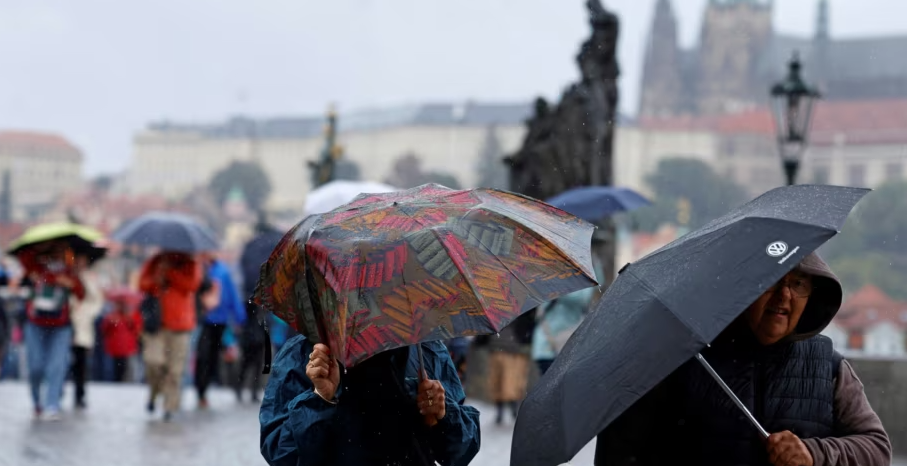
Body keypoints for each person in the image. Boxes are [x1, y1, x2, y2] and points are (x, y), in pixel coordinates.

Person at [595, 253, 892, 466]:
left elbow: (876, 449)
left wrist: (814, 454)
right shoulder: (687, 358)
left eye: (798, 283)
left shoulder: (828, 367)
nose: (784, 296)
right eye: (772, 281)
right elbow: (624, 450)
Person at [260, 336, 481, 466]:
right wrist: (320, 399)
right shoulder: (306, 354)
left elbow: (459, 452)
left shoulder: (426, 350)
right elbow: (280, 453)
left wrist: (442, 416)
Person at [18, 241, 85, 421]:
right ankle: (36, 400)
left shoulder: (69, 272)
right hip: (35, 324)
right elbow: (23, 260)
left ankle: (52, 403)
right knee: (36, 366)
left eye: (62, 252)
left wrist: (70, 283)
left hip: (60, 326)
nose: (58, 256)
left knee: (57, 365)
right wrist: (40, 250)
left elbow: (81, 294)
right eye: (55, 251)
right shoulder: (37, 267)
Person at [139, 251, 203, 421]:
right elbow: (142, 284)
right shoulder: (155, 261)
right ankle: (154, 393)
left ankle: (170, 406)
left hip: (180, 324)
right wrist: (157, 279)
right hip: (156, 324)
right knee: (154, 361)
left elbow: (192, 285)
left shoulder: (190, 264)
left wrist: (170, 273)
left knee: (175, 370)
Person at [194, 253, 246, 409]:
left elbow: (231, 296)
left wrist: (239, 317)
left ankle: (204, 388)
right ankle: (200, 389)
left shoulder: (222, 271)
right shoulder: (198, 270)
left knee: (212, 357)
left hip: (219, 322)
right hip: (202, 321)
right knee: (202, 355)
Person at [68, 254, 104, 408]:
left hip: (83, 324)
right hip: (67, 322)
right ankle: (60, 390)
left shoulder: (90, 279)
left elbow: (97, 301)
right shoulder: (67, 276)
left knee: (81, 362)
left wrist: (88, 313)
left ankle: (79, 393)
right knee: (65, 361)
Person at [101, 289, 143, 382]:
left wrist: (129, 320)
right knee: (115, 371)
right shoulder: (111, 316)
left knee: (126, 371)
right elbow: (104, 330)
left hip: (128, 348)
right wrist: (111, 322)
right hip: (115, 348)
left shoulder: (132, 315)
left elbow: (137, 330)